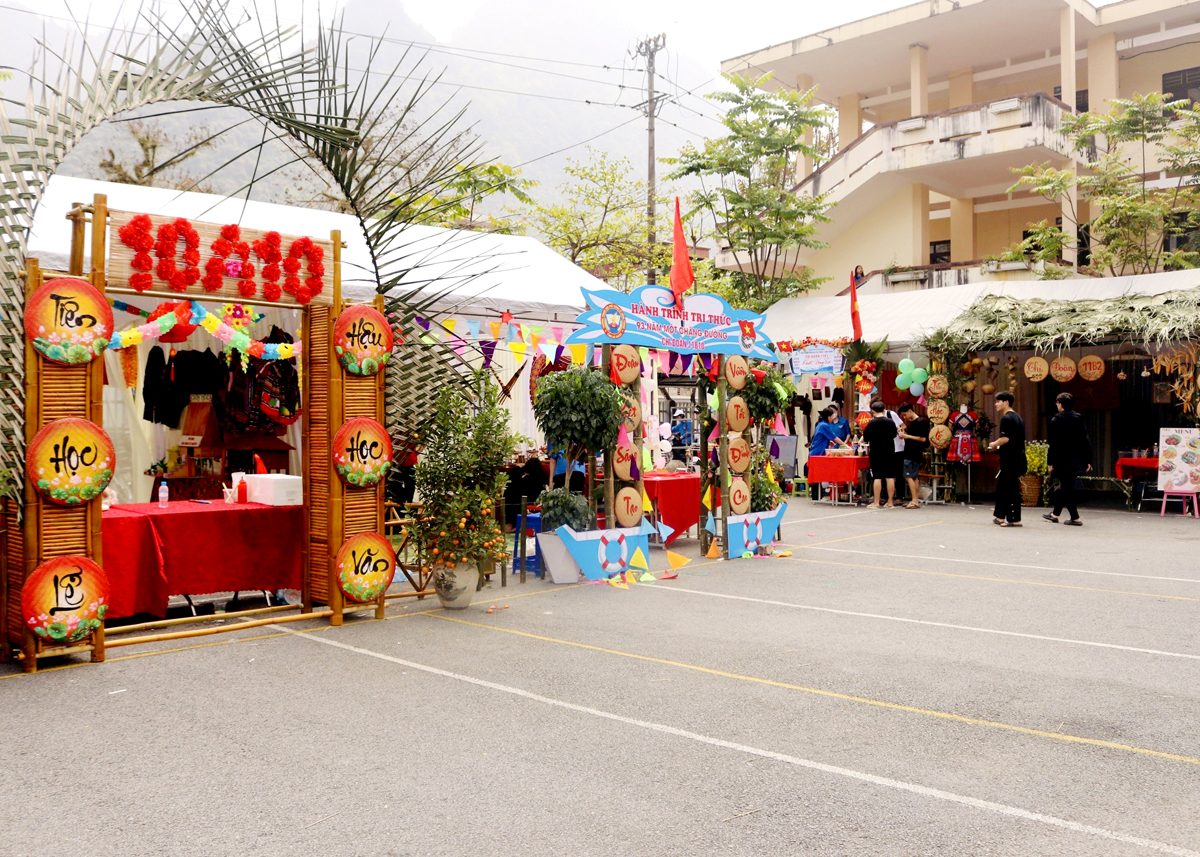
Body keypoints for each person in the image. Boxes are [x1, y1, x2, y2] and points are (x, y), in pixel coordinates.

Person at [1044, 392, 1092, 526]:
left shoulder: (1056, 419)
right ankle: (1055, 514)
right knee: (1066, 485)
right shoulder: (1079, 418)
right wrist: (1088, 459)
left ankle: (1075, 518)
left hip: (1061, 458)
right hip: (1075, 457)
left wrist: (1050, 462)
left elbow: (1053, 443)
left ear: (1060, 404)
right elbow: (1085, 439)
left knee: (1066, 487)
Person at [988, 391, 1026, 526]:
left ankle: (1000, 517)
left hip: (1009, 458)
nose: (996, 404)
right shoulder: (1018, 418)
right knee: (1013, 488)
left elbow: (1005, 438)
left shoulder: (1006, 418)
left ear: (1006, 402)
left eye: (998, 401)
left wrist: (993, 444)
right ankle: (1015, 518)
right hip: (1017, 457)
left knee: (1004, 488)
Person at [862, 400, 898, 508]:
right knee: (889, 476)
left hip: (876, 451)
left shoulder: (872, 423)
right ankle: (890, 502)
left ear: (873, 411)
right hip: (890, 451)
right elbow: (894, 435)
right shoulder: (890, 422)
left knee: (877, 477)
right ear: (884, 409)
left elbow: (866, 437)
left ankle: (876, 502)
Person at [897, 403, 929, 509]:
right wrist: (904, 436)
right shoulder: (913, 423)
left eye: (905, 415)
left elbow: (923, 439)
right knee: (913, 477)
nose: (904, 418)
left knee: (908, 476)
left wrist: (907, 436)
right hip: (912, 451)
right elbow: (912, 437)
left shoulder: (920, 422)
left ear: (910, 411)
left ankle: (915, 500)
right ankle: (914, 499)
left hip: (913, 452)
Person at [806, 407, 841, 500]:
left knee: (816, 475)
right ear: (828, 416)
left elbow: (822, 437)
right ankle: (816, 496)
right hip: (817, 453)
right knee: (816, 475)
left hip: (815, 452)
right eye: (832, 416)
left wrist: (828, 442)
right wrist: (845, 445)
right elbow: (835, 438)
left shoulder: (821, 424)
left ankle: (817, 496)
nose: (833, 417)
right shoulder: (824, 426)